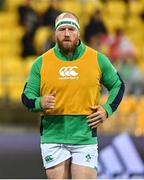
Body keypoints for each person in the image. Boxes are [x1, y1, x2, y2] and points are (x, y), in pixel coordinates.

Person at [21, 12, 125, 179]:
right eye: (62, 29)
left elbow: (118, 85)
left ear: (78, 33)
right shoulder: (41, 63)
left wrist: (106, 110)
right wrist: (40, 102)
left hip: (84, 135)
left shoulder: (97, 59)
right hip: (53, 135)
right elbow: (27, 96)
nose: (67, 33)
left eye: (71, 29)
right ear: (55, 34)